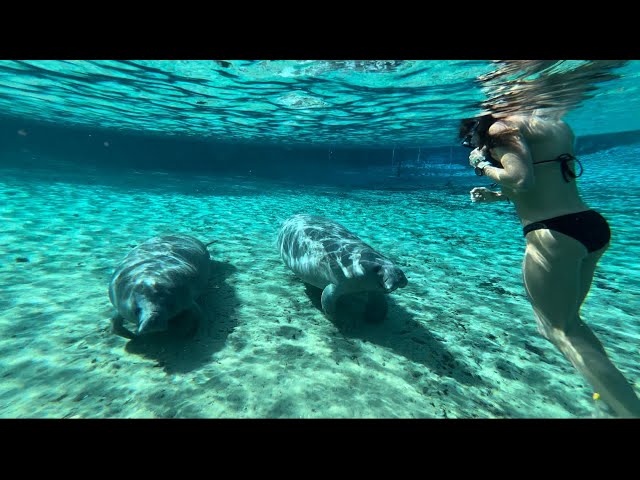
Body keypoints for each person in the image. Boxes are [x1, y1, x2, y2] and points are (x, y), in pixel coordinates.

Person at [459, 113, 640, 417]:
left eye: (469, 140)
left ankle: (628, 408)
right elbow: (548, 178)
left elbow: (521, 178)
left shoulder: (500, 126)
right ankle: (612, 392)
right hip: (590, 225)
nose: (473, 144)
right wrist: (500, 197)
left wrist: (482, 165)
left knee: (557, 329)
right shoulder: (556, 126)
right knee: (571, 324)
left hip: (554, 236)